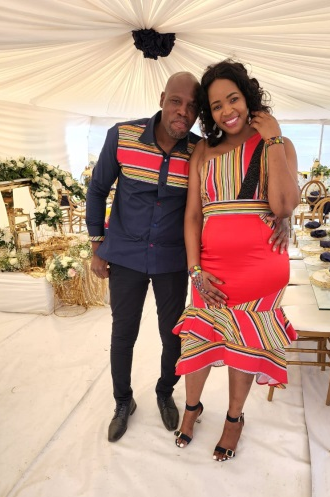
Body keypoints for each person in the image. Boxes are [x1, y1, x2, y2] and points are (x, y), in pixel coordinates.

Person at [172, 60, 300, 462]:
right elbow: (193, 215)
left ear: (248, 98)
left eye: (233, 99)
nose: (227, 111)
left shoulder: (276, 143)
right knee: (198, 340)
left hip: (261, 271)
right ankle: (192, 408)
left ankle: (233, 418)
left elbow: (283, 206)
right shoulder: (203, 150)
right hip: (210, 271)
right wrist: (194, 270)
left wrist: (273, 137)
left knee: (243, 347)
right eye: (216, 105)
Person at [86, 72, 201, 442]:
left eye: (192, 106)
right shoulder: (122, 136)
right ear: (162, 98)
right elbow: (97, 189)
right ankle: (123, 401)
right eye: (176, 101)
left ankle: (165, 391)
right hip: (126, 256)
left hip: (172, 260)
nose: (183, 111)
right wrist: (96, 246)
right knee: (124, 334)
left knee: (173, 335)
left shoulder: (199, 151)